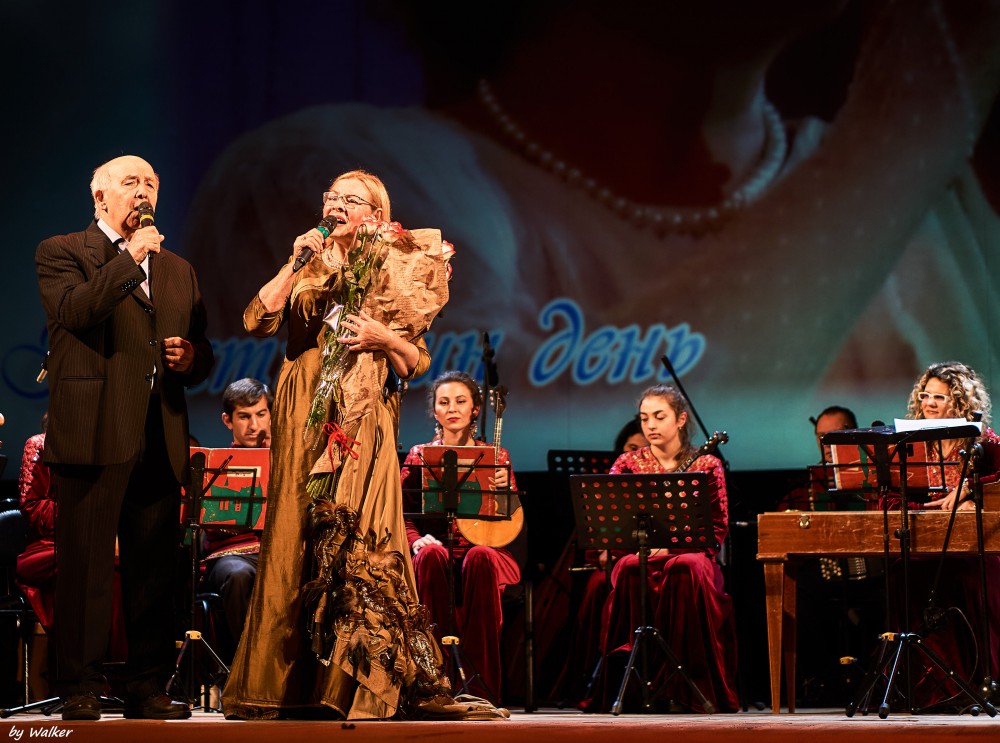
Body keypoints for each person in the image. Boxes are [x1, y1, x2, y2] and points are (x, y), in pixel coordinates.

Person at [222, 170, 501, 721]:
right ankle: (290, 685)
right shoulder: (309, 260)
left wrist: (383, 337)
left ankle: (357, 685)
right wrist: (294, 262)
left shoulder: (394, 265)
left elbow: (415, 363)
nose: (337, 205)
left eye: (351, 200)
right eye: (332, 197)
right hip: (304, 407)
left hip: (363, 413)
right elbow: (256, 319)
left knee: (362, 534)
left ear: (375, 214)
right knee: (298, 532)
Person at [34, 155, 214, 721]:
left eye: (151, 183)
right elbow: (75, 312)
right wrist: (131, 258)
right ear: (100, 197)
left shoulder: (178, 269)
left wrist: (190, 358)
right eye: (131, 183)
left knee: (153, 570)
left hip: (159, 432)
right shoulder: (63, 251)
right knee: (86, 566)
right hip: (93, 428)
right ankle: (80, 683)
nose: (143, 192)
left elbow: (204, 350)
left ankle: (146, 684)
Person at [589, 384, 738, 713]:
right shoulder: (628, 463)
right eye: (645, 418)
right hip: (640, 555)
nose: (650, 425)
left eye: (659, 416)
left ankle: (685, 688)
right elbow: (611, 523)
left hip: (690, 557)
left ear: (681, 419)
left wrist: (669, 550)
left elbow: (717, 526)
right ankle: (634, 687)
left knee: (686, 567)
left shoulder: (707, 464)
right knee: (629, 566)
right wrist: (637, 546)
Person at [399, 371, 521, 703]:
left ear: (475, 409)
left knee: (482, 556)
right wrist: (416, 540)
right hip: (437, 548)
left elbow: (509, 522)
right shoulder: (419, 455)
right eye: (444, 402)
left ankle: (481, 689)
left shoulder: (496, 455)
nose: (452, 408)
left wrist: (505, 493)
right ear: (435, 411)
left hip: (483, 548)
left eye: (460, 401)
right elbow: (402, 512)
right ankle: (433, 682)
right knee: (430, 555)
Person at [890, 361, 1000, 710]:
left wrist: (969, 491)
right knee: (908, 573)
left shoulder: (982, 442)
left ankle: (978, 683)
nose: (929, 403)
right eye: (925, 395)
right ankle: (934, 689)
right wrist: (927, 509)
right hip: (925, 543)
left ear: (961, 401)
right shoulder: (911, 444)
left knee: (971, 576)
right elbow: (888, 496)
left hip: (975, 547)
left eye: (940, 397)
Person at [200, 378, 273, 663]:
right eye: (244, 416)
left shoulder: (286, 460)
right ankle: (241, 669)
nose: (254, 425)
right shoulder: (217, 465)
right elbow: (208, 527)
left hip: (274, 553)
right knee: (238, 575)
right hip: (230, 557)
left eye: (261, 414)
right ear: (227, 421)